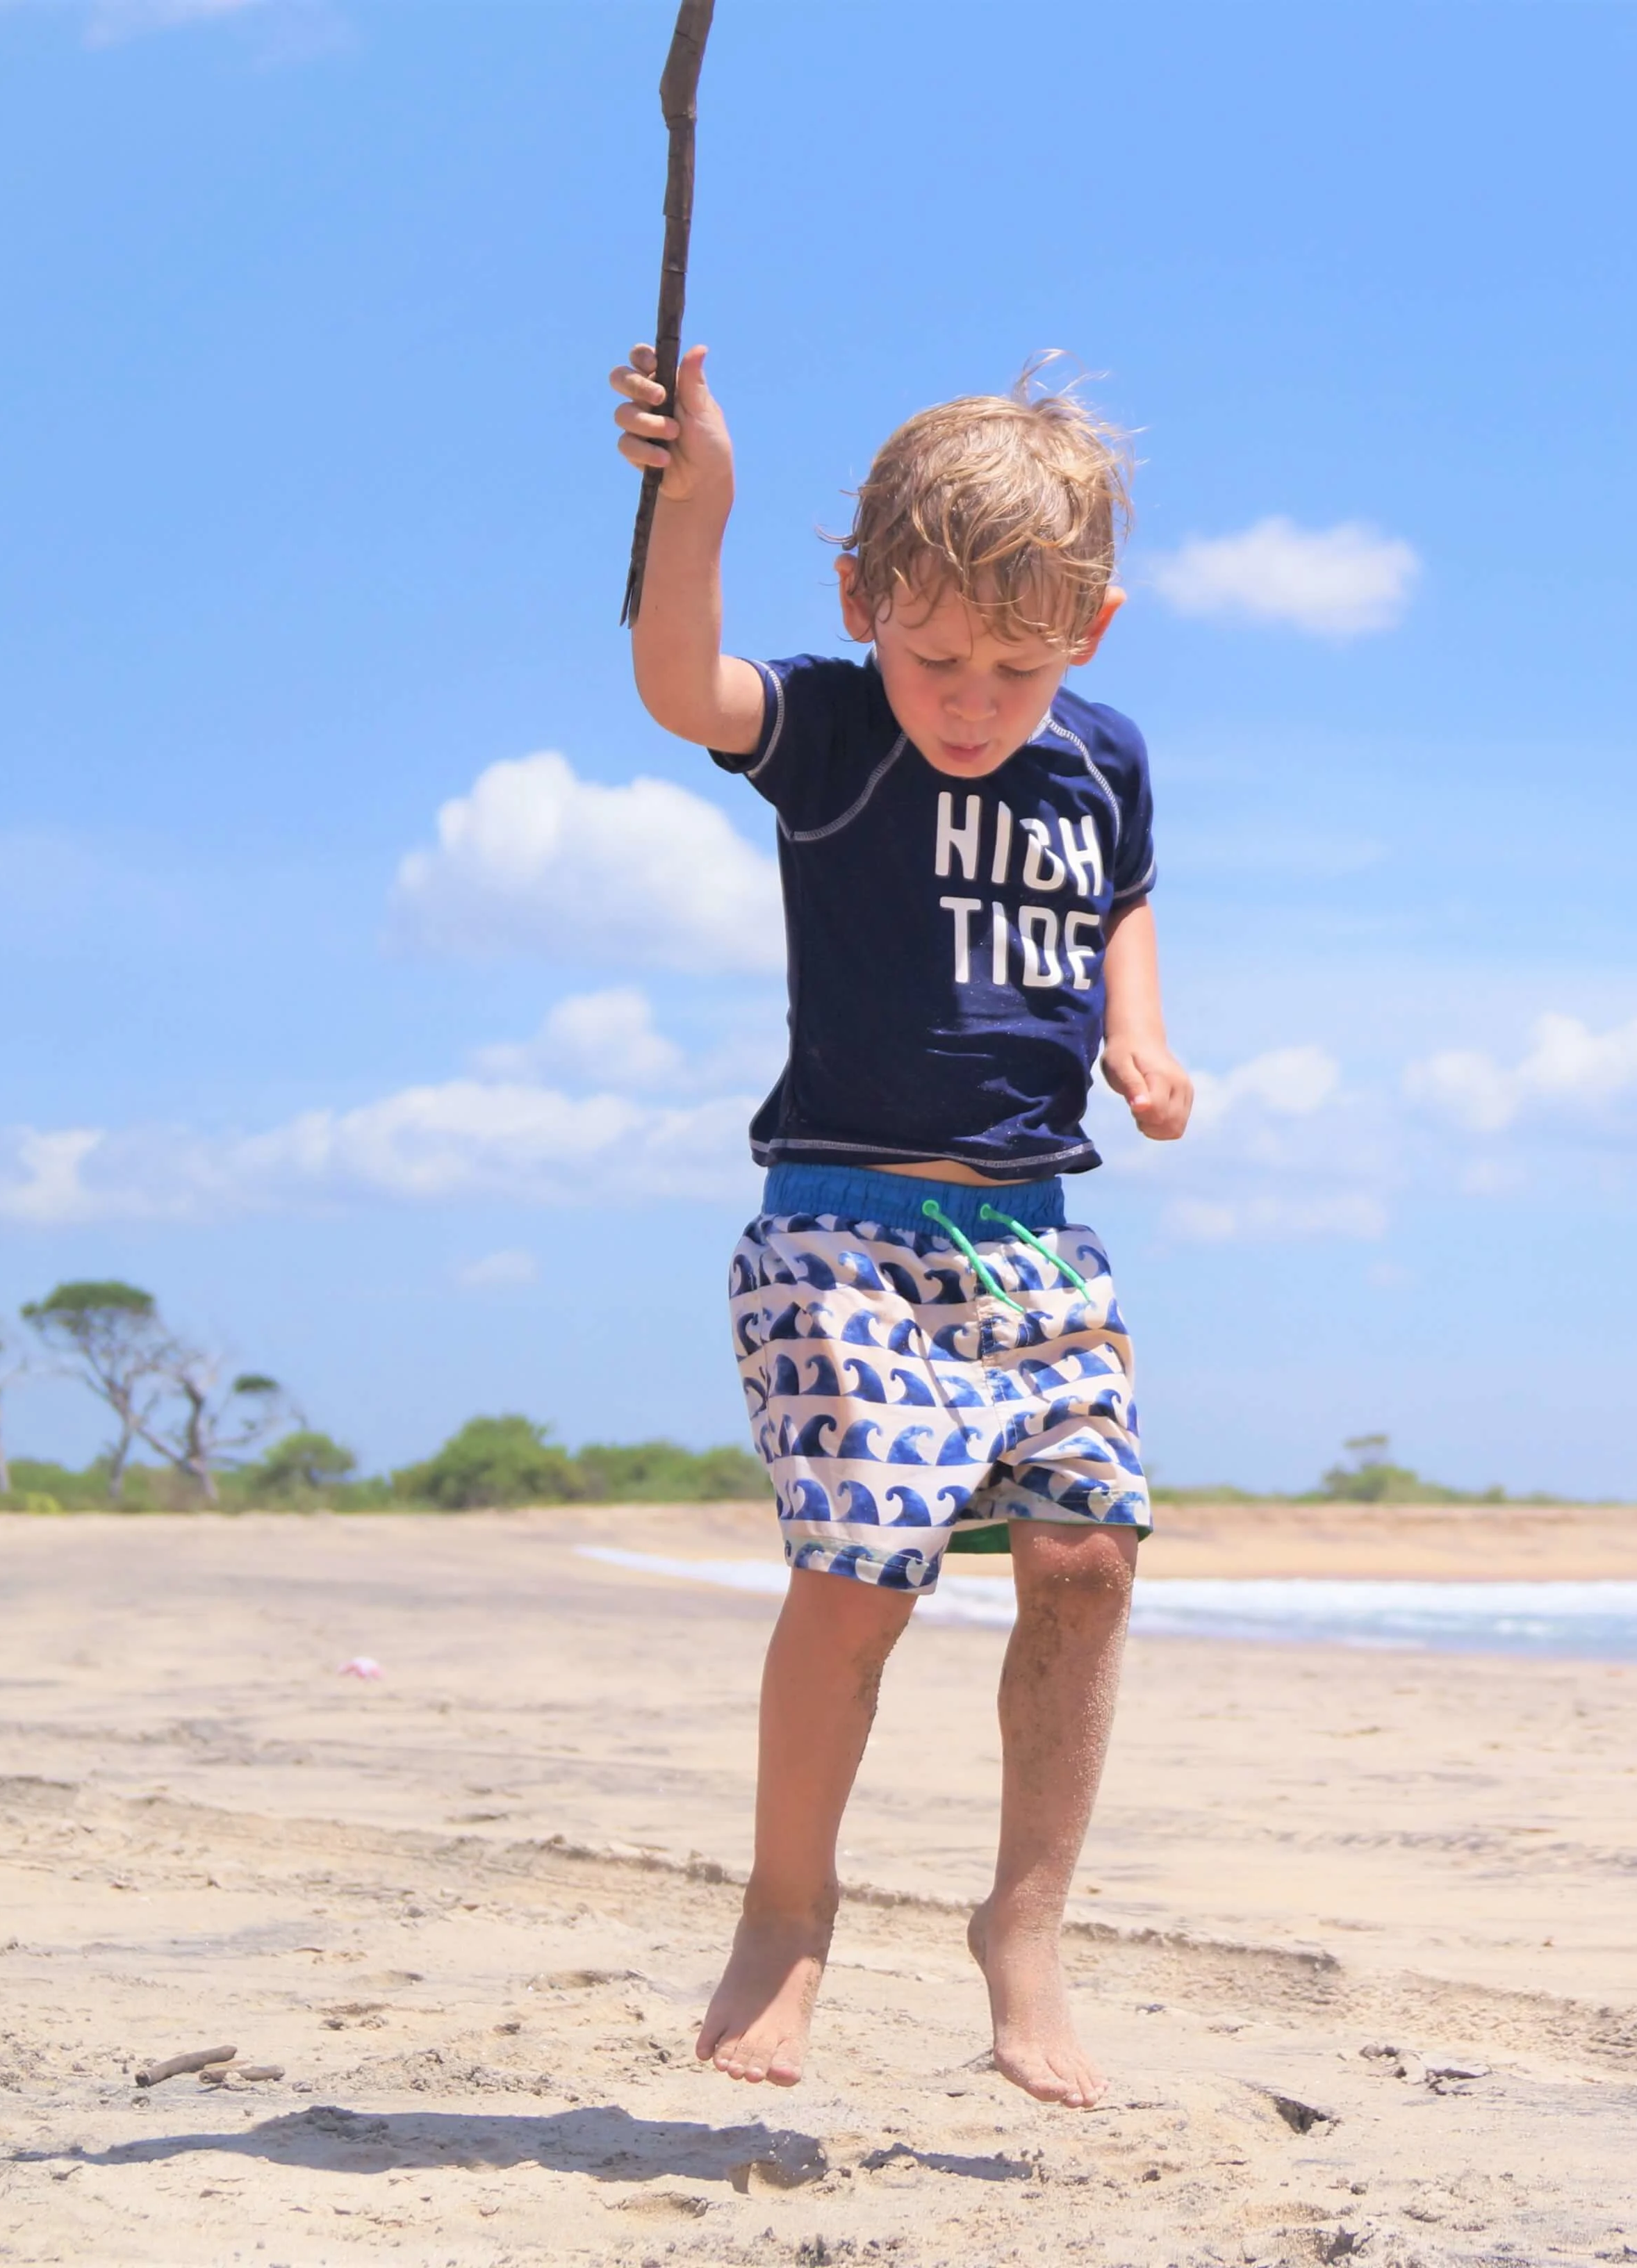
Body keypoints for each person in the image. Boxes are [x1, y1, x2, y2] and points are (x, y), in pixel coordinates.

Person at [608, 337, 1192, 2108]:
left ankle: (1022, 1927)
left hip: (1036, 1238)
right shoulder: (843, 732)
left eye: (1014, 667)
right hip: (841, 1232)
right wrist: (691, 503)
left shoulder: (1100, 757)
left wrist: (1142, 1037)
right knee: (860, 1575)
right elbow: (675, 685)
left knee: (1088, 1564)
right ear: (862, 600)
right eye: (935, 653)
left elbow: (1125, 901)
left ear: (1085, 632)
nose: (968, 699)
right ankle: (787, 1915)